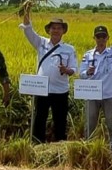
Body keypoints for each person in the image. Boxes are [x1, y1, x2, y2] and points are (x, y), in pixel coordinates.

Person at [20, 12, 78, 143]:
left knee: (60, 120)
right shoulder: (41, 43)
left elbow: (74, 69)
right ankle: (37, 144)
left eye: (59, 28)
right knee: (39, 118)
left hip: (60, 90)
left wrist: (66, 70)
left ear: (63, 31)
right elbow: (28, 30)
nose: (56, 30)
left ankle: (60, 146)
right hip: (42, 90)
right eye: (53, 28)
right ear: (49, 30)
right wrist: (26, 11)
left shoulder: (69, 49)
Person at [79, 13, 112, 153]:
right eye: (98, 37)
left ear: (107, 38)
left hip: (109, 94)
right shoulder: (87, 55)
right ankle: (89, 151)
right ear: (94, 38)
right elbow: (81, 73)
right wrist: (87, 73)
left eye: (103, 37)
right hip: (92, 94)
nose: (101, 39)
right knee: (90, 125)